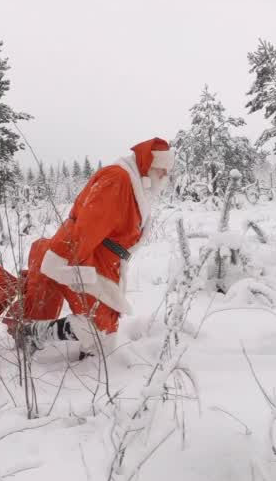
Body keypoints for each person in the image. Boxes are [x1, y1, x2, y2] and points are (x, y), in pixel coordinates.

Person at [18, 137, 174, 356]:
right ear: (147, 164)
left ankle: (82, 353)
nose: (165, 176)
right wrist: (73, 269)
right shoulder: (116, 179)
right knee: (98, 335)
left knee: (105, 339)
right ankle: (33, 332)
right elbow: (87, 228)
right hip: (83, 260)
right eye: (161, 169)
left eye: (168, 170)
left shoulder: (137, 184)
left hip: (106, 265)